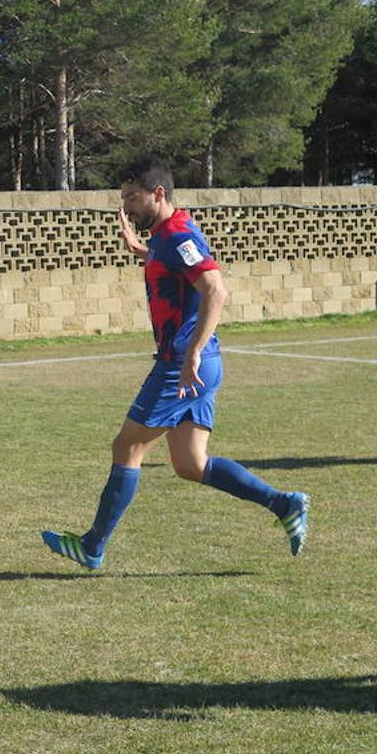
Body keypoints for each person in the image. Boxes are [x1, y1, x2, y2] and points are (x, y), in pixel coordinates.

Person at [41, 155, 308, 570]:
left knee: (126, 447)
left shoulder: (178, 233)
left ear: (157, 193)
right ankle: (284, 504)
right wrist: (141, 251)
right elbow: (177, 269)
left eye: (132, 197)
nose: (126, 206)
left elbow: (216, 291)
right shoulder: (166, 236)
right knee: (190, 464)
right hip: (198, 364)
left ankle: (93, 546)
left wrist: (193, 352)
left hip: (181, 366)